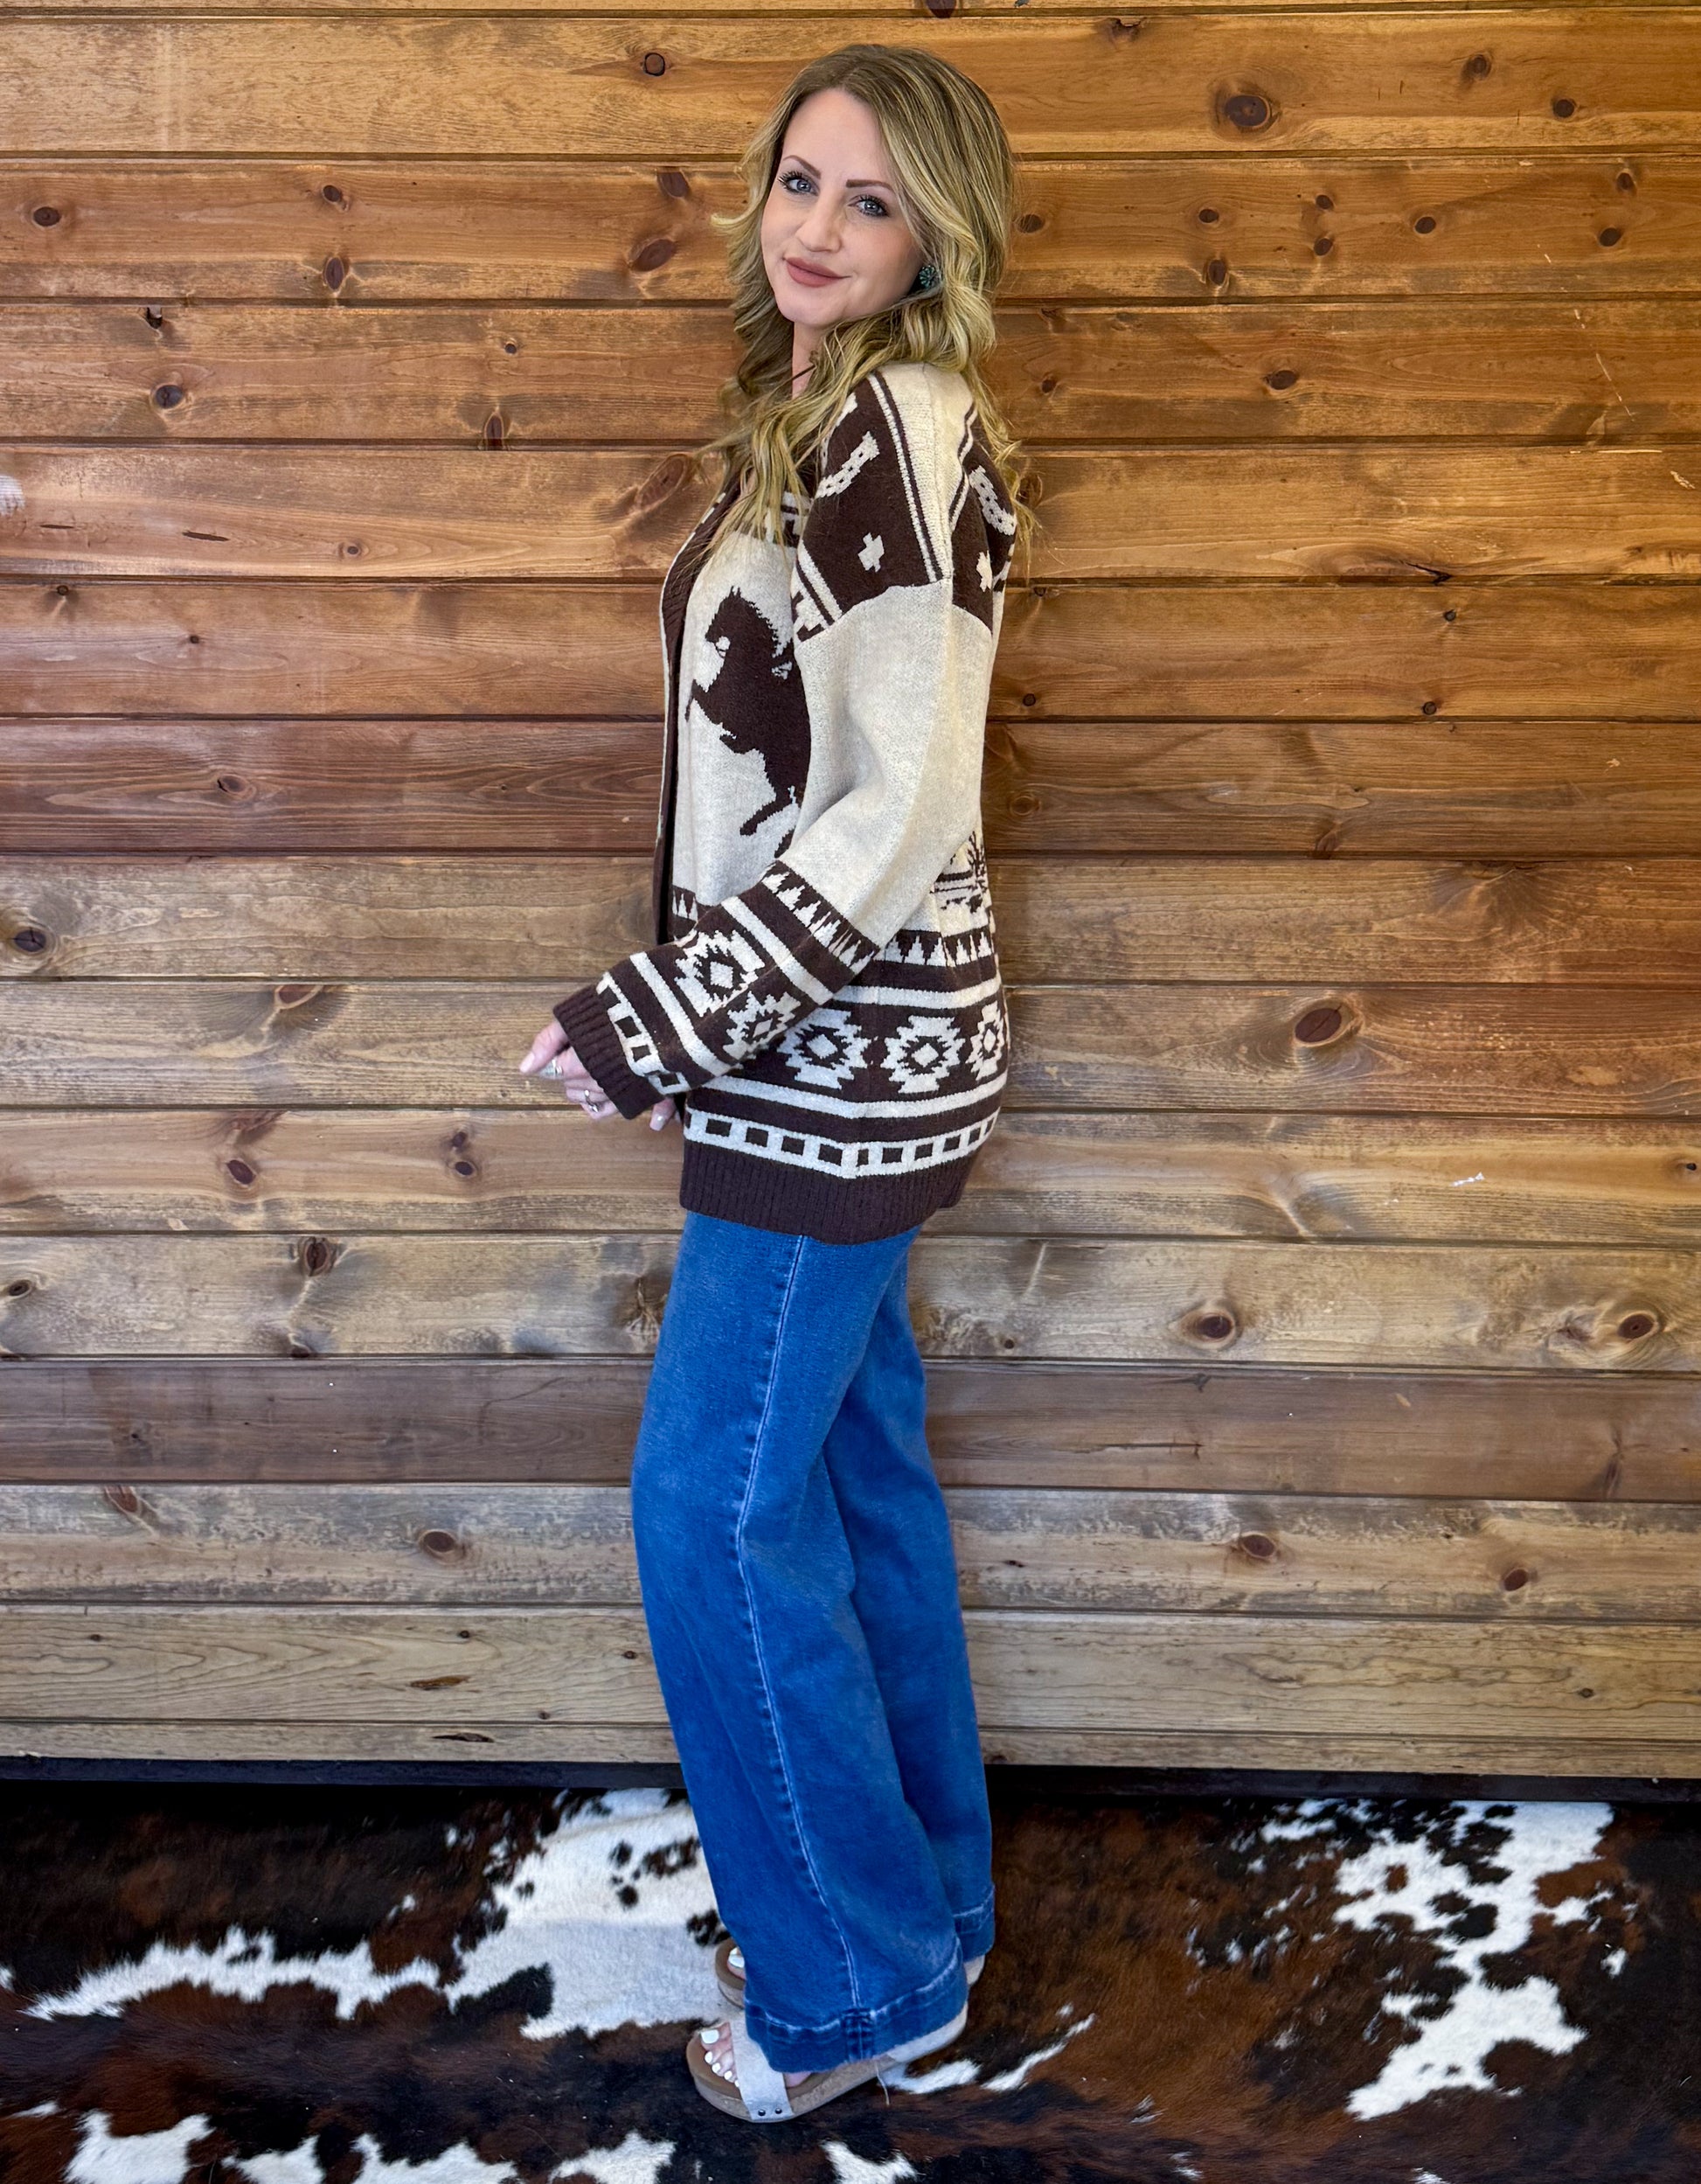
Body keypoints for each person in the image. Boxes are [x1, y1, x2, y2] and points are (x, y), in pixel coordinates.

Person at [519, 42, 1026, 2125]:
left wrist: (668, 1015)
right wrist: (710, 1027)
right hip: (829, 1057)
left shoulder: (895, 427)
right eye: (798, 182)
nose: (815, 226)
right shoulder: (829, 422)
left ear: (937, 240)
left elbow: (897, 805)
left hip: (839, 1072)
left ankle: (847, 1986)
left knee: (711, 1514)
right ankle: (925, 1919)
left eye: (869, 200)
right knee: (841, 1482)